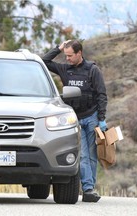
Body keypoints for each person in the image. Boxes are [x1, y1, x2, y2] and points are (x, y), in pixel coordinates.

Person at [42, 40, 108, 202]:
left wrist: (101, 119)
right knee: (84, 155)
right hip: (74, 118)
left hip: (92, 116)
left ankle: (89, 188)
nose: (67, 59)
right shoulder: (65, 69)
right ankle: (88, 189)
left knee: (92, 155)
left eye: (70, 55)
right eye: (66, 55)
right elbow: (44, 62)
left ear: (79, 53)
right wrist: (58, 48)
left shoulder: (93, 70)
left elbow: (101, 94)